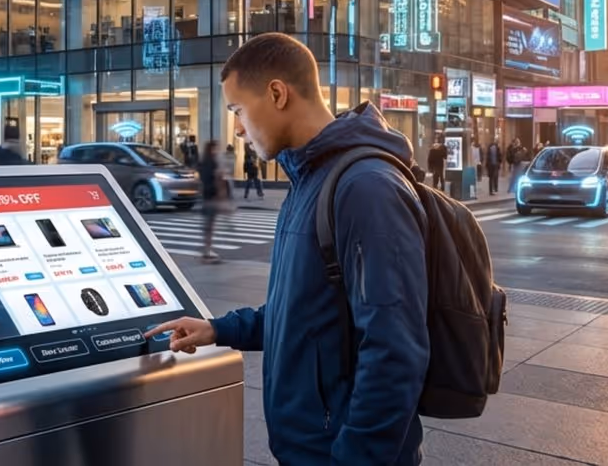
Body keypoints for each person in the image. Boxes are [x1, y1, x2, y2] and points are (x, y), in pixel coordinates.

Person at [151, 33, 428, 464]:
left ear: (277, 93)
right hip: (307, 448)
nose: (238, 128)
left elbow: (396, 350)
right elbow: (303, 314)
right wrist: (219, 330)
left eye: (238, 110)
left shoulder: (365, 188)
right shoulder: (308, 181)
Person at [197, 141, 225, 264]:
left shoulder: (203, 163)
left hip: (206, 196)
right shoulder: (212, 164)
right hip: (210, 197)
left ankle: (207, 250)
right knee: (209, 226)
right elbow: (217, 180)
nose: (217, 152)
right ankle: (207, 251)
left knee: (208, 226)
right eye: (215, 149)